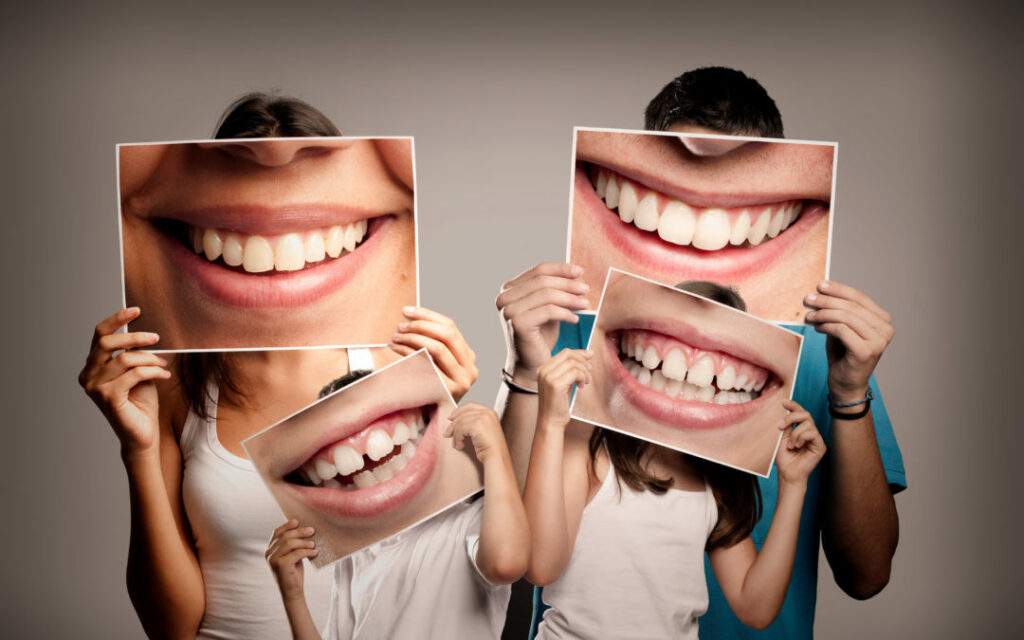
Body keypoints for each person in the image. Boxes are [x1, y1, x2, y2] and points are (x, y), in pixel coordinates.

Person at [496, 66, 904, 639]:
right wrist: (522, 372)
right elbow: (505, 553)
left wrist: (850, 396)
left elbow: (866, 575)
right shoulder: (569, 335)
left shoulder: (824, 351)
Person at [79, 93, 480, 639]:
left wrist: (454, 428)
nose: (276, 162)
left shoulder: (401, 364)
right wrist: (139, 451)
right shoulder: (174, 387)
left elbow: (459, 574)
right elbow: (169, 626)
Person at [524, 282, 826, 639]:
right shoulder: (587, 443)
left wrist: (794, 485)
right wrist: (549, 424)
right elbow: (541, 567)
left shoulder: (714, 481)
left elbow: (755, 607)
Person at [266, 402, 529, 639]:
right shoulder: (353, 555)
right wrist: (293, 596)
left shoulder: (469, 523)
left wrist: (495, 454)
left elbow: (505, 563)